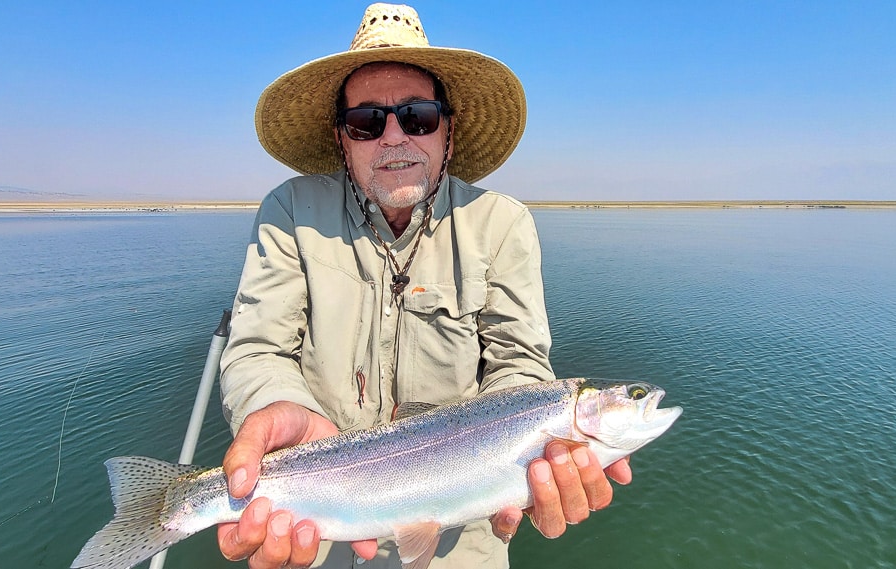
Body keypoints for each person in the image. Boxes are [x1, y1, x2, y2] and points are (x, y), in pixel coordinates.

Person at [216, 4, 632, 568]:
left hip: (464, 533)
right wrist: (276, 406)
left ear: (448, 131)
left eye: (417, 116)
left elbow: (518, 364)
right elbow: (259, 350)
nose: (393, 136)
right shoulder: (289, 212)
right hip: (315, 527)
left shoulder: (502, 223)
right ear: (343, 138)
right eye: (366, 121)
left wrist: (536, 448)